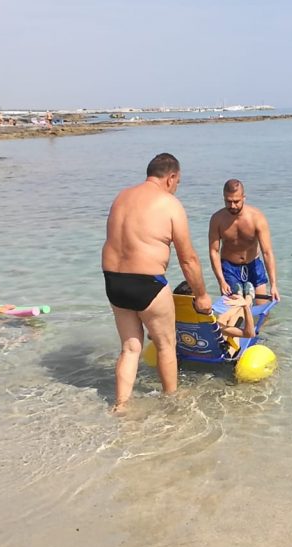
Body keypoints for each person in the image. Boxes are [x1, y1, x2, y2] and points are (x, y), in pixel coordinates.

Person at [102, 152, 212, 411]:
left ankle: (121, 406)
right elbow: (189, 260)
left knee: (130, 348)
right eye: (178, 182)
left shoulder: (122, 196)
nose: (176, 187)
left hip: (113, 281)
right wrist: (202, 296)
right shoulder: (169, 203)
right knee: (165, 345)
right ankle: (172, 402)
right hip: (147, 283)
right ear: (171, 177)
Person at [208, 179, 280, 301]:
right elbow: (214, 251)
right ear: (224, 198)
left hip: (254, 264)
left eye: (236, 201)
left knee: (262, 308)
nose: (232, 206)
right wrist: (221, 281)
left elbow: (267, 252)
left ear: (244, 197)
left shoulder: (257, 217)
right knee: (234, 310)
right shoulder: (217, 219)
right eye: (228, 201)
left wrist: (273, 285)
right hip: (230, 267)